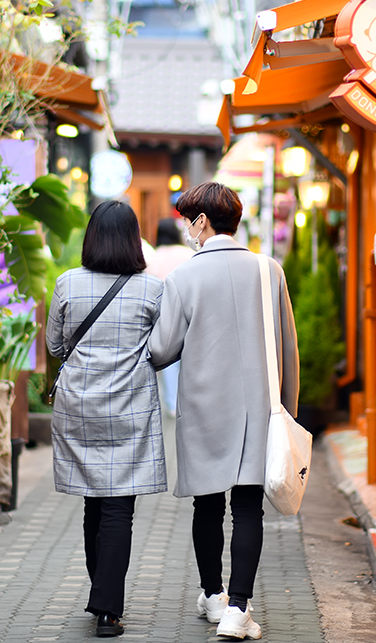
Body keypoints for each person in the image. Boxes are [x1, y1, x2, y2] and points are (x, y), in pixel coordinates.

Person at [148, 182, 299, 641]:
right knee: (248, 507)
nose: (186, 230)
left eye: (187, 220)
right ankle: (238, 608)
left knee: (207, 504)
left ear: (201, 221)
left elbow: (160, 350)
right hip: (258, 407)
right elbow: (288, 348)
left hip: (203, 406)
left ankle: (213, 595)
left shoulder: (184, 277)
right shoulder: (267, 269)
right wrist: (288, 411)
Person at [46, 200, 168, 638]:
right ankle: (107, 609)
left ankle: (101, 593)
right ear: (134, 239)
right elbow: (163, 348)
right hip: (130, 408)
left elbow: (56, 345)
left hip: (78, 406)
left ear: (92, 236)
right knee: (120, 507)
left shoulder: (67, 284)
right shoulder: (152, 290)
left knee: (92, 500)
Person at [144, 218, 193, 416]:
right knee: (189, 357)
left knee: (169, 362)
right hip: (189, 310)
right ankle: (188, 401)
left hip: (163, 314)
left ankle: (172, 405)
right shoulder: (188, 254)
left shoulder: (154, 257)